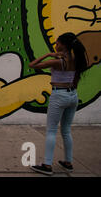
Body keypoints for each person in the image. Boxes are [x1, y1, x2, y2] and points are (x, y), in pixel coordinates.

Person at [28, 32, 88, 175]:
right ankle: (68, 162)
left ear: (63, 45)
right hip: (73, 95)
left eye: (57, 43)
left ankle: (47, 165)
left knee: (51, 131)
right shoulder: (75, 58)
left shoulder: (57, 61)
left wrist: (48, 55)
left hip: (59, 95)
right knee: (66, 130)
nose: (56, 45)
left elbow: (32, 65)